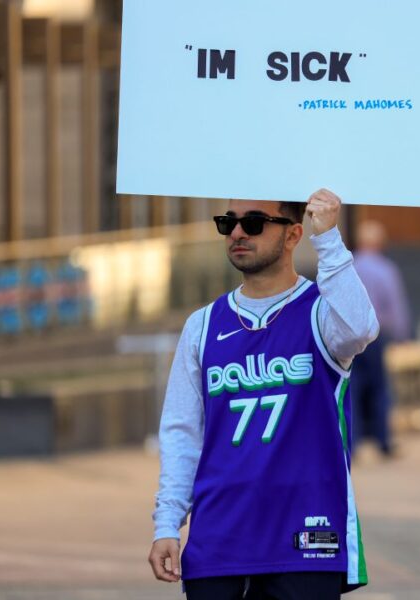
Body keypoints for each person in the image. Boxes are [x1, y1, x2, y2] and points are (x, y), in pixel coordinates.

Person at [148, 190, 379, 600]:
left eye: (253, 222)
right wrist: (167, 523)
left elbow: (361, 328)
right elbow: (182, 433)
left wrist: (327, 237)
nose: (237, 232)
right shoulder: (201, 326)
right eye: (227, 222)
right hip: (218, 539)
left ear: (292, 236)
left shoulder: (320, 314)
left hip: (307, 537)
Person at [349, 220, 411, 457]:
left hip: (350, 334)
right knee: (380, 388)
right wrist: (401, 334)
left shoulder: (348, 266)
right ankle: (383, 441)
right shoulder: (386, 269)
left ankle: (351, 444)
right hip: (376, 335)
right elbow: (395, 305)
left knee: (352, 388)